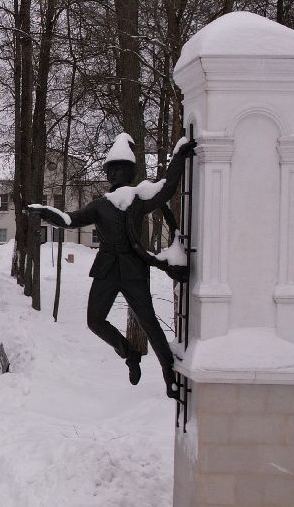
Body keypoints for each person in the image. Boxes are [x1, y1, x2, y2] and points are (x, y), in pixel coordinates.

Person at [27, 133, 195, 398]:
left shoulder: (138, 198)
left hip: (133, 269)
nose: (115, 173)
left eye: (121, 168)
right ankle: (129, 353)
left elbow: (167, 189)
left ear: (130, 172)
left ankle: (169, 375)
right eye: (112, 169)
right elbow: (70, 220)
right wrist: (47, 213)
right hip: (106, 269)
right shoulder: (100, 205)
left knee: (149, 322)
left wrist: (179, 158)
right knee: (94, 321)